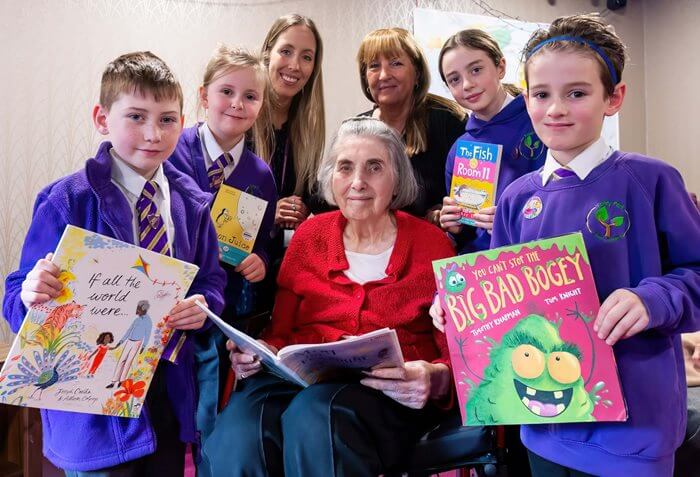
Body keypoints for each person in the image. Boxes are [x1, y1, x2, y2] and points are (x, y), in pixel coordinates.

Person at [437, 14, 700, 476]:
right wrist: (459, 305)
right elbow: (501, 297)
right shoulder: (516, 198)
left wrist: (653, 299)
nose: (555, 109)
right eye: (541, 94)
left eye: (576, 93)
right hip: (545, 426)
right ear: (527, 98)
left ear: (613, 98)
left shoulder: (650, 180)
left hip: (635, 431)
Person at [2, 51, 225, 475]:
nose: (153, 133)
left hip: (168, 395)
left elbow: (211, 281)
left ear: (182, 121)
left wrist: (204, 305)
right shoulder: (67, 200)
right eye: (136, 117)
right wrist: (31, 294)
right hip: (93, 415)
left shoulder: (192, 204)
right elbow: (15, 298)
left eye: (167, 119)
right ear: (103, 119)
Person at [199, 117, 456, 477]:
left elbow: (456, 355)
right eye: (345, 167)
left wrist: (436, 378)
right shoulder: (310, 236)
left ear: (398, 178)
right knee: (240, 434)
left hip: (386, 391)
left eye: (374, 167)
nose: (357, 182)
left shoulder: (433, 244)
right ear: (330, 177)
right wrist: (256, 355)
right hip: (298, 380)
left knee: (317, 415)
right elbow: (280, 332)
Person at [168, 44, 277, 442]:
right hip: (171, 302)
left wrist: (259, 259)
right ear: (203, 95)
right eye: (226, 92)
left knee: (211, 412)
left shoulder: (260, 175)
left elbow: (262, 241)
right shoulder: (171, 152)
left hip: (223, 310)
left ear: (261, 105)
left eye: (250, 96)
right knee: (169, 414)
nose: (237, 103)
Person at [437, 29, 546, 253]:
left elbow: (565, 198)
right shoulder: (460, 149)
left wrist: (512, 222)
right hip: (483, 265)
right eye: (455, 79)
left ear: (500, 67)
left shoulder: (542, 121)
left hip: (538, 258)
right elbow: (467, 234)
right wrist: (455, 227)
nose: (467, 84)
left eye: (476, 70)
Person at [356, 27, 466, 223]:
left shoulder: (449, 121)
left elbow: (469, 198)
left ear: (417, 73)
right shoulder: (355, 130)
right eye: (374, 66)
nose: (383, 75)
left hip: (432, 238)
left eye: (395, 63)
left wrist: (445, 214)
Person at [107, 300, 152, 388]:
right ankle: (113, 381)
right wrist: (121, 342)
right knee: (122, 360)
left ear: (144, 309)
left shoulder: (148, 321)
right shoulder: (137, 319)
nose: (137, 311)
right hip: (129, 341)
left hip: (137, 343)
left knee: (128, 362)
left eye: (139, 309)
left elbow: (148, 334)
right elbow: (129, 330)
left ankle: (121, 381)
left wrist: (143, 346)